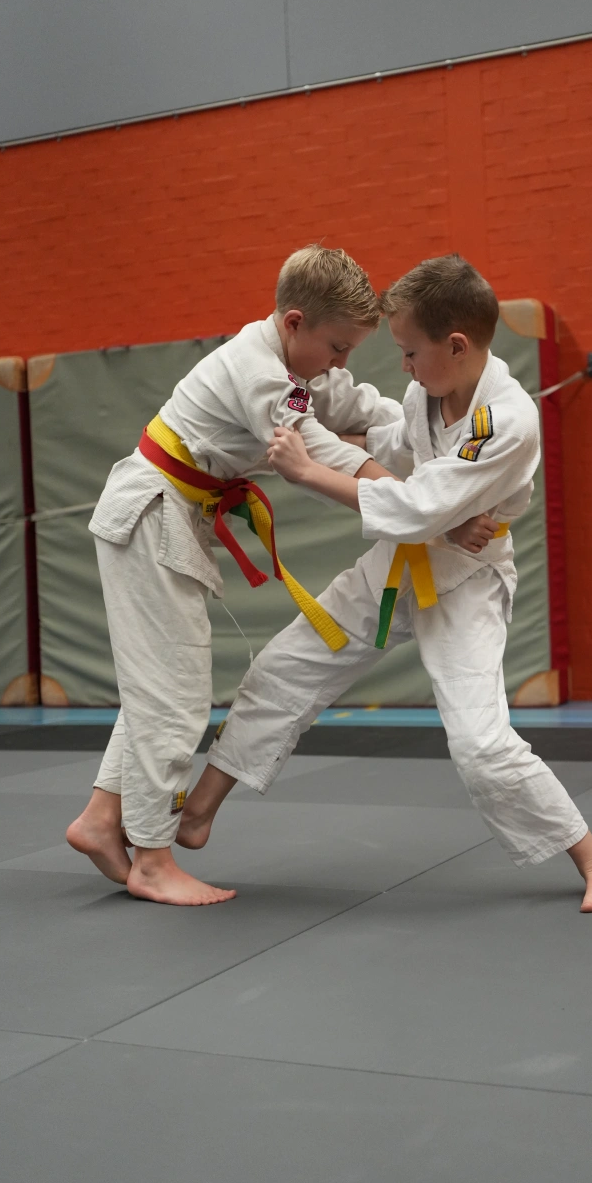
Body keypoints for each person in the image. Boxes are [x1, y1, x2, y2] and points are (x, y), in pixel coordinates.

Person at [179, 255, 592, 913]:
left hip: (465, 586)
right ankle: (199, 809)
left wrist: (308, 470)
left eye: (410, 352)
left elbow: (421, 505)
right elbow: (396, 445)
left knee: (478, 743)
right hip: (395, 567)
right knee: (285, 667)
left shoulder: (505, 420)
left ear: (457, 345)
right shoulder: (430, 391)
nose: (403, 367)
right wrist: (328, 431)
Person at [66, 246, 407, 904]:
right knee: (176, 692)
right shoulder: (260, 373)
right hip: (152, 513)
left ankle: (102, 819)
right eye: (337, 346)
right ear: (294, 322)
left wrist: (425, 420)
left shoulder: (294, 363)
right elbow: (316, 447)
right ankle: (152, 859)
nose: (341, 362)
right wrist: (405, 493)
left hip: (169, 514)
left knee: (159, 680)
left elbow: (349, 402)